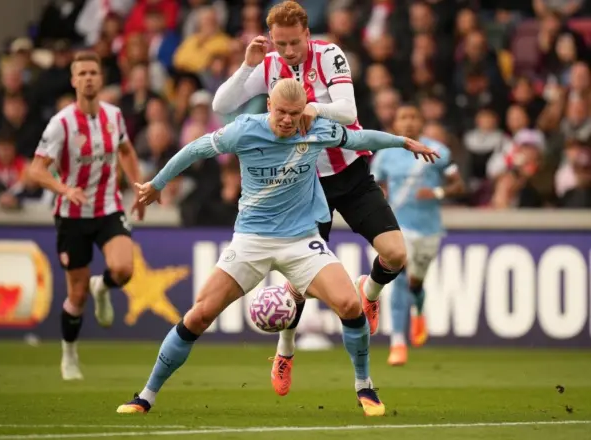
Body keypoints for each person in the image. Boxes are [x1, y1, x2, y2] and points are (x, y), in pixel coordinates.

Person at [116, 79, 438, 416]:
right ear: (269, 105)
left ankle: (364, 387)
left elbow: (359, 139)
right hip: (251, 241)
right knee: (199, 314)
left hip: (301, 240)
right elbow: (195, 149)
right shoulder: (243, 130)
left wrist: (402, 142)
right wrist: (157, 184)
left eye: (295, 114)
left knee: (349, 304)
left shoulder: (316, 129)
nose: (287, 120)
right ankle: (146, 396)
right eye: (281, 112)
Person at [211, 0, 409, 396]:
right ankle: (285, 350)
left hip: (349, 172)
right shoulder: (268, 65)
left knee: (397, 253)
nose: (287, 51)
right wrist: (247, 66)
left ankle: (369, 292)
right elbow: (221, 106)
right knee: (299, 281)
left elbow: (348, 111)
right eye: (280, 43)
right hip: (304, 183)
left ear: (307, 33)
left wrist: (311, 108)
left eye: (294, 42)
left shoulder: (330, 54)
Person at [28, 51, 145, 380]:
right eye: (82, 74)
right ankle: (69, 355)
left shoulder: (114, 116)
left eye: (93, 72)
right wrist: (64, 189)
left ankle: (102, 287)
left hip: (108, 207)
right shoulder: (61, 123)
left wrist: (138, 187)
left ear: (101, 78)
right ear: (73, 80)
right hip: (72, 216)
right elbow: (36, 170)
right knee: (76, 295)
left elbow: (126, 151)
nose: (88, 78)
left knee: (123, 269)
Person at [371, 104, 465, 366]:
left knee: (416, 282)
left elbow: (459, 185)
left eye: (414, 117)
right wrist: (380, 197)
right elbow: (373, 185)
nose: (409, 122)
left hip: (429, 229)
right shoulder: (385, 154)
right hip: (398, 227)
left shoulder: (438, 151)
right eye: (403, 117)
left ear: (422, 123)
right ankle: (398, 342)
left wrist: (437, 193)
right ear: (396, 124)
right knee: (399, 279)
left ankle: (419, 311)